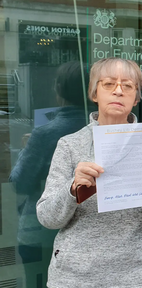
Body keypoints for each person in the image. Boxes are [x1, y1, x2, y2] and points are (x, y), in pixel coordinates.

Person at [36, 58, 142, 288]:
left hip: (141, 273)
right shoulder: (70, 145)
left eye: (128, 86)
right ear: (94, 93)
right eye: (109, 84)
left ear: (137, 97)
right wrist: (72, 189)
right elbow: (47, 217)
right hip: (78, 276)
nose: (119, 91)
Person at [10, 61, 89, 270]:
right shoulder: (104, 130)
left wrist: (26, 150)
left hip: (42, 234)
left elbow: (20, 184)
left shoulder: (45, 134)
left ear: (59, 89)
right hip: (91, 235)